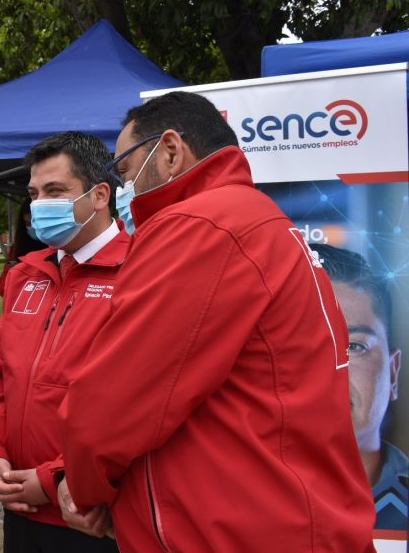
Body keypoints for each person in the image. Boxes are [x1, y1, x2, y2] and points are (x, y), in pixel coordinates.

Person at [59, 91, 375, 551]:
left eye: (124, 170)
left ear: (170, 151)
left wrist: (84, 490)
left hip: (236, 530)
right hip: (275, 515)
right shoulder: (257, 218)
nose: (124, 190)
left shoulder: (200, 224)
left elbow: (110, 402)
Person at [0, 131, 126, 552]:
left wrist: (54, 478)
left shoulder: (139, 271)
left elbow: (133, 402)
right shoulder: (26, 273)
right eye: (34, 193)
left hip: (90, 514)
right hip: (18, 506)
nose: (40, 204)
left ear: (99, 195)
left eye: (55, 191)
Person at [312, 244, 407, 532]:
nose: (332, 368)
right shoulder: (199, 515)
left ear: (392, 374)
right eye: (303, 345)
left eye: (354, 346)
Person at [0, 198, 47, 297]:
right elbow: (2, 289)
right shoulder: (17, 248)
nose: (33, 227)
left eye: (36, 222)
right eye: (28, 224)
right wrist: (14, 272)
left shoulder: (59, 248)